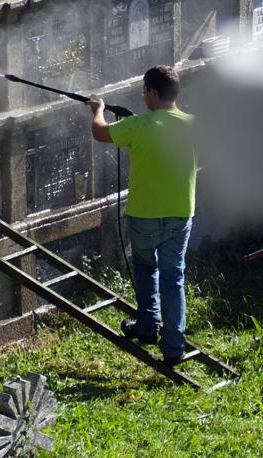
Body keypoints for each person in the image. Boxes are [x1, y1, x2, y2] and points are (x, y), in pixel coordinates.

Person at [87, 66, 196, 364]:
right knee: (174, 277)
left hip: (144, 217)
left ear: (152, 92)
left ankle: (148, 326)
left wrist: (99, 109)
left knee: (146, 268)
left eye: (143, 90)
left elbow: (99, 132)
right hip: (181, 214)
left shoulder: (137, 127)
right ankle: (174, 348)